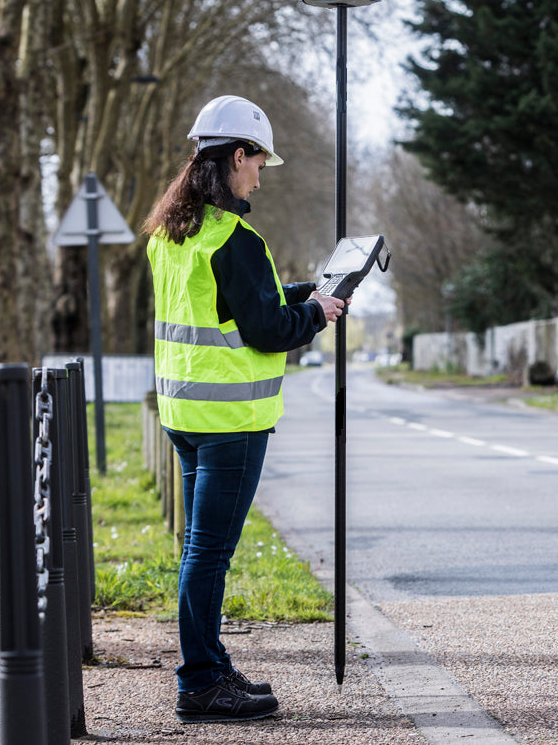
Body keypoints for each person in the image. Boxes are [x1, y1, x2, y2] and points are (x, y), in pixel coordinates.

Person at [142, 95, 346, 723]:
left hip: (184, 414)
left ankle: (209, 665)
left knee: (197, 552)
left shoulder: (172, 232)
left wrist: (297, 293)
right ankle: (200, 681)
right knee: (209, 554)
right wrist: (316, 314)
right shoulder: (236, 237)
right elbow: (264, 329)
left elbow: (227, 308)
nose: (261, 173)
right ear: (237, 156)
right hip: (231, 423)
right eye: (259, 161)